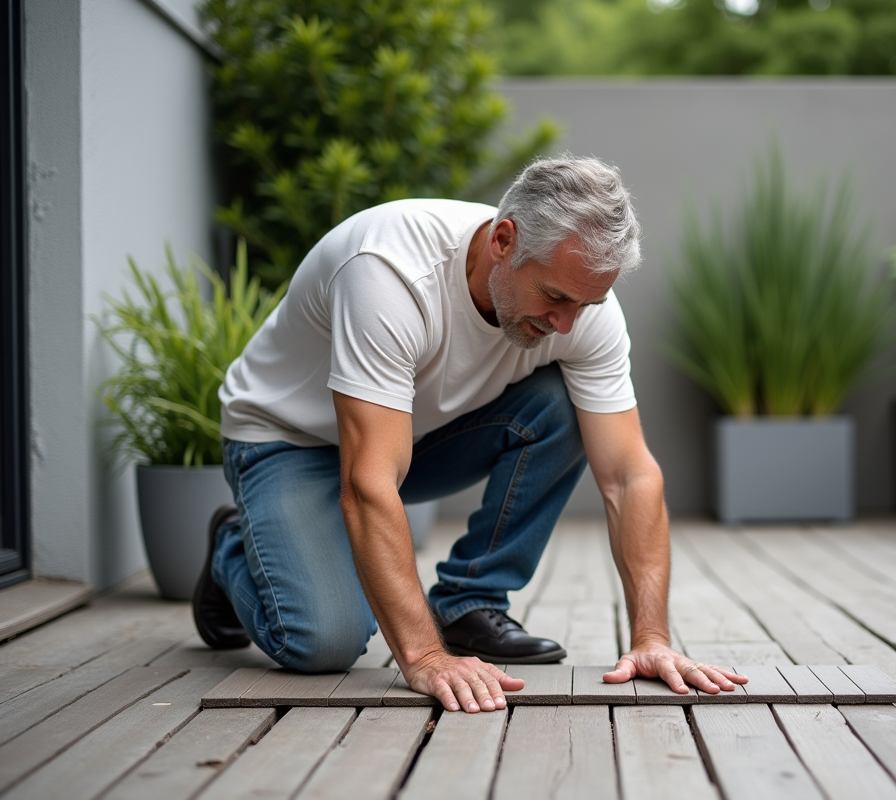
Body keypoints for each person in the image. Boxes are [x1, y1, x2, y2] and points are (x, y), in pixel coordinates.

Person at [192, 155, 748, 713]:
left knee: (564, 406)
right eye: (554, 298)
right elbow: (368, 484)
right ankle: (235, 545)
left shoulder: (577, 302)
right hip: (286, 440)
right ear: (504, 240)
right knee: (322, 643)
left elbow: (630, 477)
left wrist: (651, 639)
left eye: (587, 304)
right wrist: (426, 659)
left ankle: (468, 602)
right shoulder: (388, 273)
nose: (567, 324)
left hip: (411, 437)